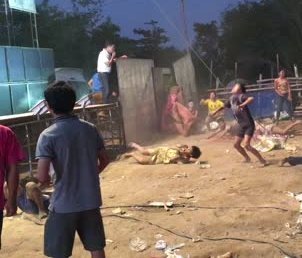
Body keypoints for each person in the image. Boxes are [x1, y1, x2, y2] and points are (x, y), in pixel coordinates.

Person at [35, 81, 110, 258]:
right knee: (96, 247)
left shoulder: (47, 135)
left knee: (58, 252)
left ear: (48, 106)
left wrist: (45, 184)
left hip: (63, 204)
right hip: (91, 201)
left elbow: (42, 176)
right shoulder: (90, 129)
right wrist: (88, 174)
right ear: (74, 103)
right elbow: (105, 160)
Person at [224, 83, 268, 166]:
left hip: (249, 125)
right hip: (241, 125)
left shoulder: (241, 96)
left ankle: (263, 160)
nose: (233, 87)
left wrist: (242, 105)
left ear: (239, 90)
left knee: (246, 145)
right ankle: (247, 158)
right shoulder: (231, 99)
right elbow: (224, 106)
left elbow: (251, 98)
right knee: (236, 145)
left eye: (235, 86)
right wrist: (215, 112)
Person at [0, 124, 23, 249]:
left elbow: (12, 167)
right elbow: (12, 167)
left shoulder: (5, 133)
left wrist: (12, 198)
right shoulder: (4, 132)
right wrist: (12, 199)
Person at [125, 142, 201, 165]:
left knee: (142, 161)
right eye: (188, 148)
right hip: (162, 150)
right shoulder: (183, 147)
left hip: (160, 158)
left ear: (190, 154)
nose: (187, 149)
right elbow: (175, 145)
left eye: (189, 150)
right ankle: (135, 145)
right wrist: (181, 147)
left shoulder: (184, 159)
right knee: (143, 152)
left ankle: (132, 154)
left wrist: (179, 155)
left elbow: (173, 160)